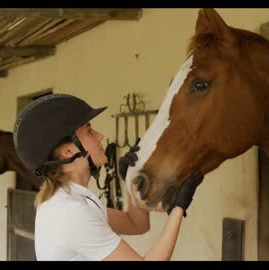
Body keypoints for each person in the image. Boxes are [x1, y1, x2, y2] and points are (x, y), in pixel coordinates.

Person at [12, 93, 203, 261]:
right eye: (89, 131)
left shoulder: (74, 199)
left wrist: (131, 179)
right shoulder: (70, 212)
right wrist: (179, 206)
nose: (100, 136)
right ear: (68, 151)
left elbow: (136, 224)